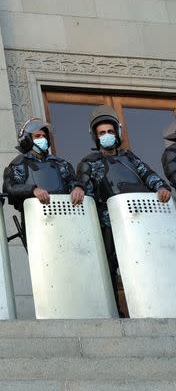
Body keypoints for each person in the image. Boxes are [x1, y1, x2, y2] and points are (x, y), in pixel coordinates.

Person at [78, 105, 171, 313]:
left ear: (117, 133)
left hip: (140, 221)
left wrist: (162, 187)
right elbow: (86, 192)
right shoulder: (89, 162)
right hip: (108, 223)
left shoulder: (129, 158)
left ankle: (152, 305)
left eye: (110, 132)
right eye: (102, 133)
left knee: (145, 264)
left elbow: (149, 175)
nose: (107, 136)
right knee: (110, 268)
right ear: (95, 137)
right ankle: (116, 311)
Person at [3, 118, 85, 248]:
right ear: (28, 139)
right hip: (36, 222)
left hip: (66, 219)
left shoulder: (60, 163)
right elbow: (10, 188)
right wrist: (32, 190)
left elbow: (74, 180)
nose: (42, 139)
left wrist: (78, 187)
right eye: (37, 136)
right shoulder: (19, 164)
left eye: (44, 136)